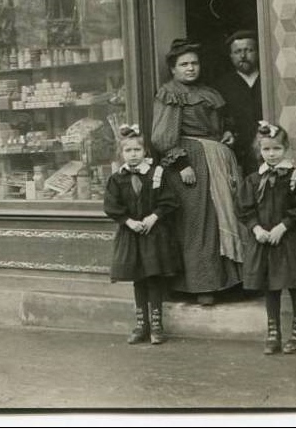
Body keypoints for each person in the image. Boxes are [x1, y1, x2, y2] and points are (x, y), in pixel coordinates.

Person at [151, 39, 245, 306]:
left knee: (222, 217)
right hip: (190, 163)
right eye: (184, 64)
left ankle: (227, 281)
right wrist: (182, 165)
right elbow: (162, 137)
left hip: (216, 159)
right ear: (173, 69)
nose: (190, 68)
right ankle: (202, 285)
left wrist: (227, 133)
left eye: (194, 63)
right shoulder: (169, 93)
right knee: (199, 221)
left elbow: (223, 122)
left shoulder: (208, 92)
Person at [237, 121, 296, 355]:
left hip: (289, 240)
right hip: (264, 240)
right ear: (259, 151)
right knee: (269, 286)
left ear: (286, 150)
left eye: (276, 149)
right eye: (266, 149)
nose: (271, 154)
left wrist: (283, 227)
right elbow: (245, 209)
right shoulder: (254, 180)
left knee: (295, 284)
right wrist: (256, 229)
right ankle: (273, 332)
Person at [103, 124, 182, 345]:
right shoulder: (117, 178)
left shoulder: (156, 174)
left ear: (145, 151)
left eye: (137, 150)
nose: (133, 155)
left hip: (153, 234)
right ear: (122, 154)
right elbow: (111, 206)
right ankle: (141, 324)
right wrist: (128, 221)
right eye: (128, 151)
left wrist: (153, 217)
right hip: (132, 235)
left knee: (153, 278)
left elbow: (170, 201)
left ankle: (157, 325)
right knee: (138, 280)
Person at [212, 29, 263, 177]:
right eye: (237, 52)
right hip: (239, 153)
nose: (243, 56)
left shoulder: (268, 78)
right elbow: (221, 117)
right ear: (230, 56)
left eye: (249, 50)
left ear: (259, 52)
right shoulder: (222, 86)